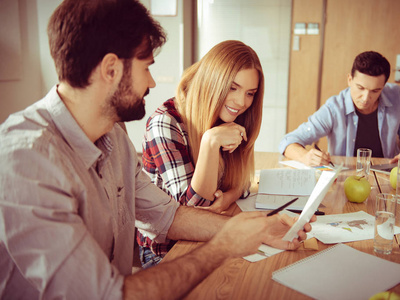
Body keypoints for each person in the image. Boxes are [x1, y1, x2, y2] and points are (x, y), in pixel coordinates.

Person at [0, 1, 313, 299]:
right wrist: (224, 245)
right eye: (147, 67)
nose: (151, 81)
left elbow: (166, 215)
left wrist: (257, 229)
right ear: (111, 69)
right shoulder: (26, 158)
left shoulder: (114, 135)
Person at [137, 40, 264, 267]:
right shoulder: (165, 123)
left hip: (211, 234)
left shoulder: (231, 118)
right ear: (212, 81)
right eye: (232, 88)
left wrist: (227, 198)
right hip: (167, 253)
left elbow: (244, 181)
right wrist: (210, 142)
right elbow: (190, 212)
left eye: (250, 93)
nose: (241, 102)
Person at [279, 51, 400, 167]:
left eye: (375, 91)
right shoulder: (334, 108)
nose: (365, 98)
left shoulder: (397, 96)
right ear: (349, 79)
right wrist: (304, 156)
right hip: (345, 177)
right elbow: (288, 141)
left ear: (384, 85)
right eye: (360, 88)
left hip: (388, 175)